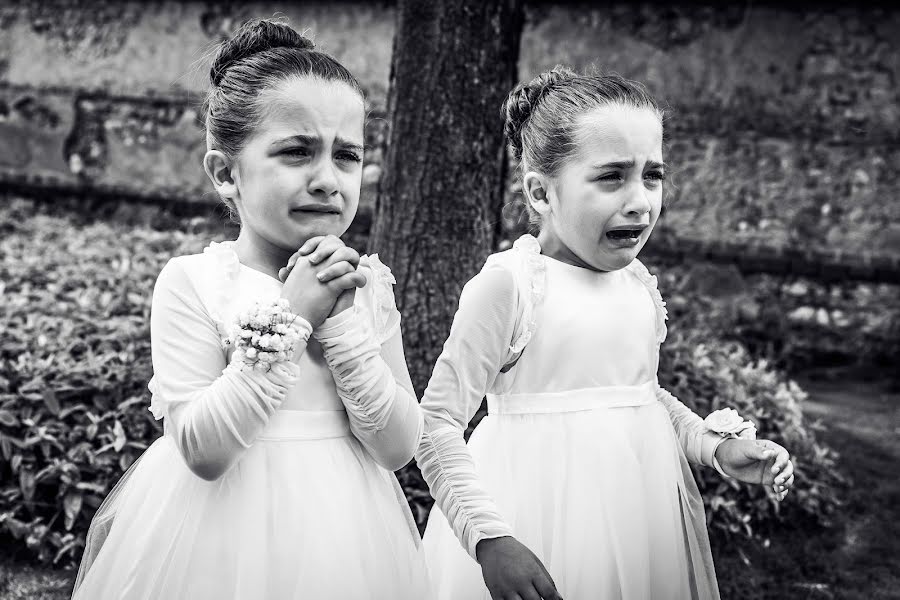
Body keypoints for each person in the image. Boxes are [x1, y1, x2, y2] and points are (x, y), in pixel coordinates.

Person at [72, 19, 429, 599]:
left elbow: (396, 446)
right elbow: (204, 451)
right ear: (224, 173)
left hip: (348, 533)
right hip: (215, 538)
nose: (327, 179)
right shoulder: (194, 282)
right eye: (296, 152)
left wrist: (342, 328)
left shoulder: (368, 285)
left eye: (347, 155)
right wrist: (292, 317)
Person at [416, 66, 795, 600]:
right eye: (612, 176)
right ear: (542, 193)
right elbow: (436, 422)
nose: (640, 200)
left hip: (637, 516)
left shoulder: (637, 284)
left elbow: (640, 395)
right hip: (535, 518)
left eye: (653, 175)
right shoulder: (513, 285)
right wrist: (489, 538)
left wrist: (715, 447)